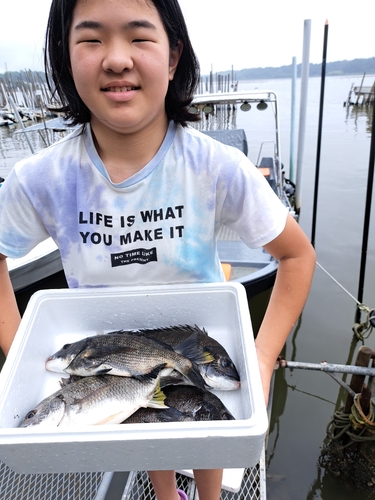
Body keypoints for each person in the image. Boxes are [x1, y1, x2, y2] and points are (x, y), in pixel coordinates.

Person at [0, 0, 316, 499]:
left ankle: (208, 494)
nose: (117, 58)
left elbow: (297, 256)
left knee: (207, 432)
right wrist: (20, 352)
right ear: (65, 59)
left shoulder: (217, 167)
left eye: (139, 36)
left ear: (172, 59)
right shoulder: (39, 179)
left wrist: (261, 357)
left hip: (197, 341)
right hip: (106, 347)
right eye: (91, 38)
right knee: (143, 423)